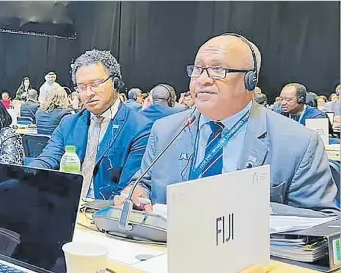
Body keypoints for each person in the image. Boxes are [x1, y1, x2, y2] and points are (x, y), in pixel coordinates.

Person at [115, 34, 338, 216]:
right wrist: (134, 195)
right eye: (198, 69)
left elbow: (321, 219)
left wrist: (245, 211)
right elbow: (142, 183)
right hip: (166, 255)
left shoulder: (298, 143)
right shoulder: (165, 130)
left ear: (250, 80)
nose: (202, 79)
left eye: (217, 70)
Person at [29, 49, 152, 200]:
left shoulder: (140, 127)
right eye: (82, 87)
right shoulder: (68, 123)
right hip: (66, 207)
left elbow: (129, 186)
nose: (88, 93)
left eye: (95, 84)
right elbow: (48, 159)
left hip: (107, 212)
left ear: (115, 83)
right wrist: (26, 175)